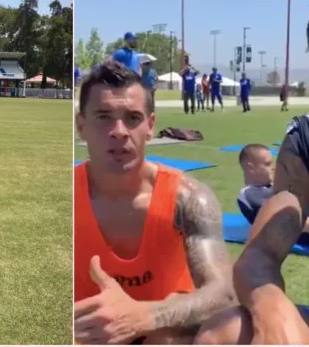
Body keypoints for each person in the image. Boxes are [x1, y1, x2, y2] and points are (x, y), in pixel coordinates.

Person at [74, 60, 236, 345]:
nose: (119, 131)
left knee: (230, 331)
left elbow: (224, 294)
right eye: (104, 117)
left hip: (166, 334)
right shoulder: (68, 195)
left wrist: (144, 317)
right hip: (90, 336)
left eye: (133, 118)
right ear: (81, 126)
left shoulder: (187, 199)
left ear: (150, 126)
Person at [195, 115, 309, 344]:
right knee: (223, 331)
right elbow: (257, 259)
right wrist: (276, 316)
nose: (272, 169)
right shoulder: (305, 138)